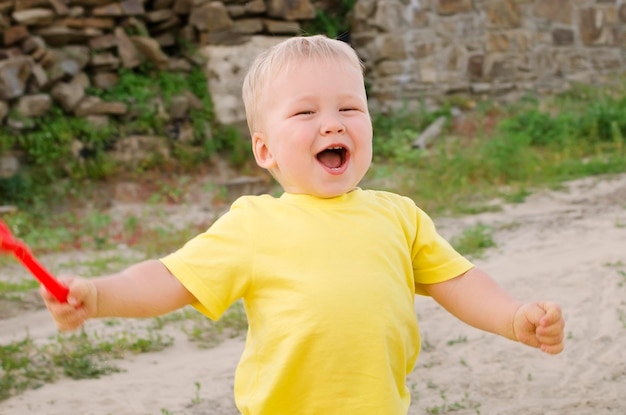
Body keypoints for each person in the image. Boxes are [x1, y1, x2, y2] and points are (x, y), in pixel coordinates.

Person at [41, 35, 565, 415]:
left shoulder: (398, 215)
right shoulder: (255, 224)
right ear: (264, 149)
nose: (332, 123)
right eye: (305, 113)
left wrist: (512, 316)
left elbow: (458, 281)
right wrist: (99, 295)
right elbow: (168, 279)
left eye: (348, 108)